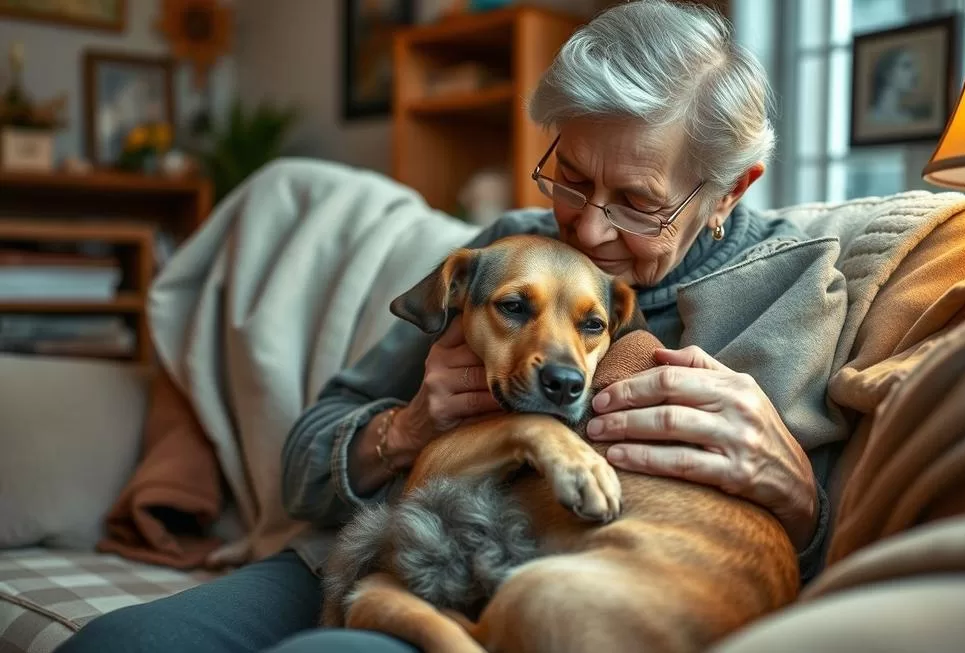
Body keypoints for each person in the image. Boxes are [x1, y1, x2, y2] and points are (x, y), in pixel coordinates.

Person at [56, 1, 845, 652]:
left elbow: (823, 552)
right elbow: (304, 461)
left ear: (730, 189)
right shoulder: (507, 250)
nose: (588, 232)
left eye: (638, 202)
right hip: (387, 545)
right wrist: (407, 425)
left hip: (572, 590)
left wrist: (803, 500)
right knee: (114, 645)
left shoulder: (792, 288)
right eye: (570, 177)